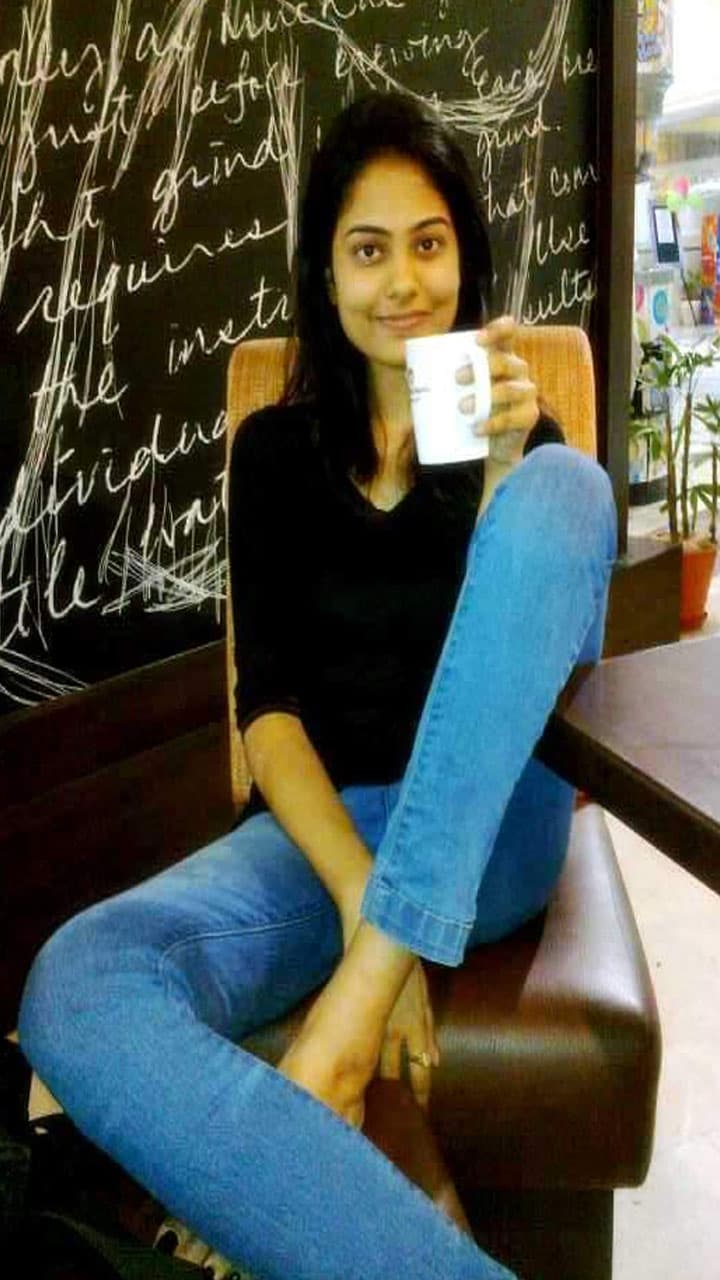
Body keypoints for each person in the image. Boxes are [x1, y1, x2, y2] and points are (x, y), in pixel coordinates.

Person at [19, 93, 617, 1280]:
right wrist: (363, 903)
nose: (403, 281)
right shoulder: (274, 453)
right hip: (324, 831)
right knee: (76, 983)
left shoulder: (517, 441)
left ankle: (337, 1041)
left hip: (492, 833)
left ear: (465, 258)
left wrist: (508, 472)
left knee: (571, 492)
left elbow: (507, 679)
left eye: (429, 243)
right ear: (326, 274)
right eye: (368, 248)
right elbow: (271, 709)